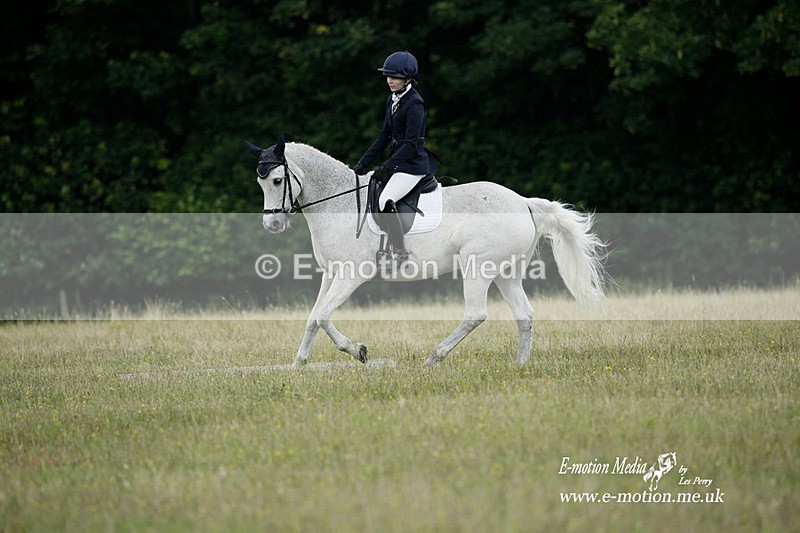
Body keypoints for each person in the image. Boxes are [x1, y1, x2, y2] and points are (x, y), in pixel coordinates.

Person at [354, 50, 433, 265]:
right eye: (388, 76)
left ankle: (399, 252)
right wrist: (363, 164)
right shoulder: (393, 99)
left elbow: (411, 143)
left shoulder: (415, 103)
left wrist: (388, 166)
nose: (389, 80)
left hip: (412, 166)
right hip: (399, 164)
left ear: (407, 78)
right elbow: (384, 136)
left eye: (395, 77)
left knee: (385, 199)